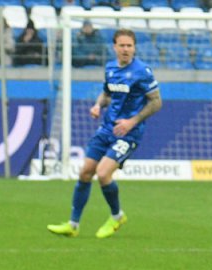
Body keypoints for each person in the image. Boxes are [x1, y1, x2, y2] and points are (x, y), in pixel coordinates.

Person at [48, 28, 162, 239]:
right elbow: (108, 94)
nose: (126, 49)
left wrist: (131, 122)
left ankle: (117, 216)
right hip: (107, 128)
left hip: (128, 133)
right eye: (122, 45)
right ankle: (73, 225)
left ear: (134, 48)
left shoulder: (142, 71)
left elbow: (156, 102)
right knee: (85, 172)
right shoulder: (110, 68)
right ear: (114, 47)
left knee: (102, 173)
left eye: (129, 46)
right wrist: (98, 105)